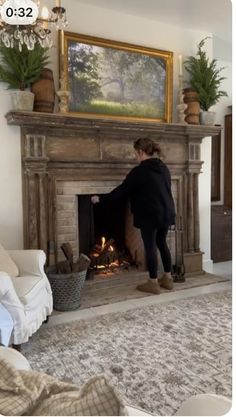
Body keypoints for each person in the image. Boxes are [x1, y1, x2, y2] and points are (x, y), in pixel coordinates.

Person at [91, 137, 176, 295]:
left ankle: (153, 283)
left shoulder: (139, 171)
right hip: (167, 212)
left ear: (141, 152)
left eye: (135, 154)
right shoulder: (164, 168)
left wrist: (100, 199)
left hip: (150, 215)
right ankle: (168, 278)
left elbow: (122, 191)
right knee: (162, 243)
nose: (135, 157)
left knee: (150, 247)